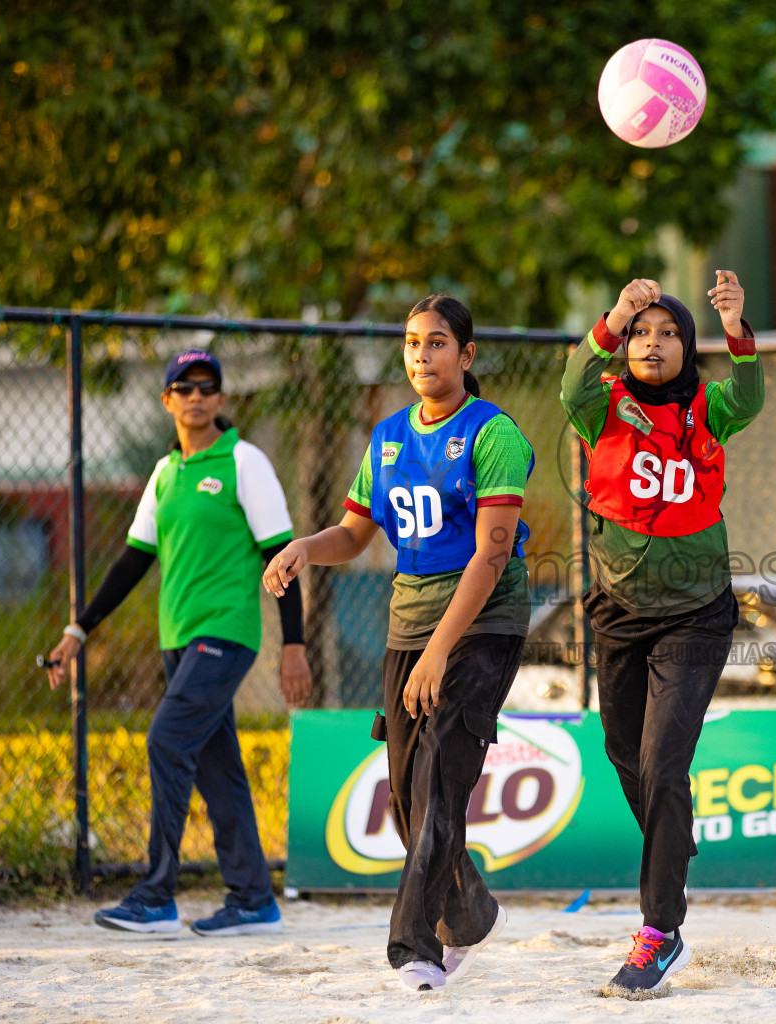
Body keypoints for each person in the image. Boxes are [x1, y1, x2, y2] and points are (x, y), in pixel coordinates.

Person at [262, 294, 534, 994]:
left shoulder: (492, 434)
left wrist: (444, 651)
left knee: (440, 779)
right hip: (409, 625)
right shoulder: (386, 437)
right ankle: (468, 913)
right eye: (412, 343)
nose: (422, 355)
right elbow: (355, 534)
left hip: (482, 625)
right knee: (412, 801)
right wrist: (303, 547)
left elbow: (490, 558)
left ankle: (413, 947)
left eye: (437, 343)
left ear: (466, 356)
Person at [45, 349, 310, 936]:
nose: (195, 396)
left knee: (166, 739)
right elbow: (132, 562)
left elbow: (283, 558)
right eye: (183, 387)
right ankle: (252, 900)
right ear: (167, 400)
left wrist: (295, 644)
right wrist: (77, 630)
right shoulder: (166, 474)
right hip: (178, 641)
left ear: (219, 399)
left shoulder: (245, 462)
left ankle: (156, 894)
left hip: (227, 633)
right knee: (219, 769)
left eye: (206, 387)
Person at [560, 271, 762, 996]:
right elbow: (571, 384)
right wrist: (612, 313)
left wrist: (737, 327)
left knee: (662, 762)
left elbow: (753, 393)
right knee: (625, 754)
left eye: (667, 331)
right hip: (618, 610)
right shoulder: (602, 408)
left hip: (697, 614)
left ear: (688, 347)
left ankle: (659, 931)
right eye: (640, 332)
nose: (652, 341)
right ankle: (673, 841)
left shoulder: (710, 408)